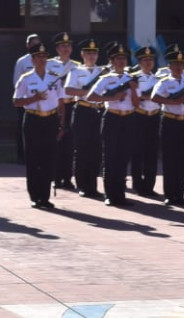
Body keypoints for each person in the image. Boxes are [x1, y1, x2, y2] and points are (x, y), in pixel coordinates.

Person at [13, 42, 65, 210]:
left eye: (44, 57)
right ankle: (35, 196)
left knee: (48, 159)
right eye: (38, 57)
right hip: (33, 119)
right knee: (33, 159)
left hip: (50, 120)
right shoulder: (26, 78)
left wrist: (62, 123)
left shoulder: (54, 77)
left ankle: (45, 196)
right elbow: (16, 101)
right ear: (33, 60)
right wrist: (33, 99)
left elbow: (61, 101)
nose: (42, 60)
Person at [87, 44, 137, 207]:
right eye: (118, 58)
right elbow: (91, 96)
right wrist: (112, 97)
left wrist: (134, 90)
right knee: (110, 157)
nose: (122, 61)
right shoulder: (106, 79)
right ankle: (110, 194)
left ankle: (120, 194)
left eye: (124, 58)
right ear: (112, 61)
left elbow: (136, 104)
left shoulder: (131, 79)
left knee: (123, 158)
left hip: (128, 119)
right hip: (112, 118)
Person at [153, 49, 184, 206]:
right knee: (170, 159)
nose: (178, 67)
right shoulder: (165, 82)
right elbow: (155, 97)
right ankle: (169, 194)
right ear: (170, 66)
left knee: (183, 159)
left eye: (181, 64)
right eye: (175, 64)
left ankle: (180, 194)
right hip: (170, 121)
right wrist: (174, 102)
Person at [65, 39, 104, 198]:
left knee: (96, 150)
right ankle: (82, 185)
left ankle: (93, 185)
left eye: (94, 53)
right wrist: (87, 93)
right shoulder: (75, 71)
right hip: (83, 110)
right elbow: (68, 89)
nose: (91, 56)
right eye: (88, 53)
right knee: (82, 149)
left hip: (99, 111)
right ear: (82, 54)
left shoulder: (103, 72)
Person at [47, 33, 78, 192]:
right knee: (56, 143)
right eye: (63, 46)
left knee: (70, 144)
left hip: (71, 105)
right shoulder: (49, 65)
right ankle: (56, 177)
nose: (66, 49)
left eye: (68, 46)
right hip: (55, 106)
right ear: (57, 48)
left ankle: (67, 177)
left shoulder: (77, 66)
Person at [130, 46, 161, 197]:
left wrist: (146, 97)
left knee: (151, 152)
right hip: (139, 116)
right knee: (137, 151)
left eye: (151, 60)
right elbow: (136, 96)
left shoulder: (158, 79)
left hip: (154, 116)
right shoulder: (135, 78)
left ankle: (149, 185)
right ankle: (138, 184)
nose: (148, 63)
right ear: (140, 62)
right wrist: (145, 96)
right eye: (145, 60)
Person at [11, 33, 39, 162]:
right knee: (22, 128)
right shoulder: (22, 61)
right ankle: (21, 155)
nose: (36, 46)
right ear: (28, 46)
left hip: (41, 101)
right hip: (25, 99)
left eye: (38, 44)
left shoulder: (45, 60)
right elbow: (17, 81)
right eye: (33, 44)